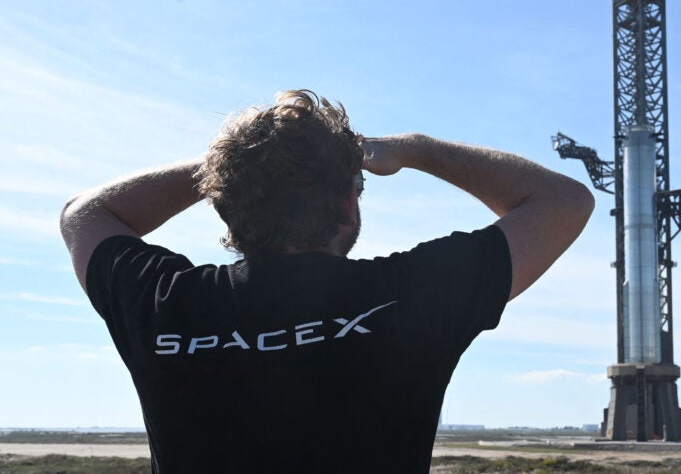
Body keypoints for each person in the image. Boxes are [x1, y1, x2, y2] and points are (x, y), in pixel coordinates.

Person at [59, 90, 594, 472]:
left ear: (223, 203)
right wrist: (414, 149)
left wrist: (237, 164)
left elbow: (84, 213)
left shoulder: (164, 302)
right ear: (348, 201)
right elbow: (563, 201)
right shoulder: (410, 297)